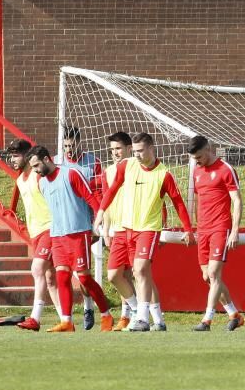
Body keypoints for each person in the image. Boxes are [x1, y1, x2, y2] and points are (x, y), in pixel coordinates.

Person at [95, 133, 194, 332]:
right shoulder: (127, 166)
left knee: (140, 271)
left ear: (151, 148)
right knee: (114, 275)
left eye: (140, 151)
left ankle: (143, 318)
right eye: (135, 150)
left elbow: (178, 203)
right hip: (124, 229)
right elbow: (112, 190)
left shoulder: (163, 174)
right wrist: (101, 212)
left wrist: (188, 229)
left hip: (148, 229)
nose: (137, 155)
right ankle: (139, 311)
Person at [28, 146, 112, 332]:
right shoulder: (41, 182)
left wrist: (99, 221)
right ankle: (67, 322)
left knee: (84, 278)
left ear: (47, 159)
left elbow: (90, 198)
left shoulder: (71, 174)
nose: (35, 170)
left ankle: (106, 315)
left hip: (78, 233)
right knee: (62, 276)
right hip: (57, 235)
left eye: (36, 165)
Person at [189, 136, 244, 332]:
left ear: (209, 149)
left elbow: (237, 200)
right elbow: (197, 199)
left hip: (220, 227)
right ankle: (234, 315)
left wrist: (235, 230)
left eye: (200, 156)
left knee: (214, 274)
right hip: (202, 229)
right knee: (208, 277)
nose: (197, 161)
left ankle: (207, 320)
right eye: (195, 158)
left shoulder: (225, 169)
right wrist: (194, 227)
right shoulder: (196, 171)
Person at [8, 140, 60, 331]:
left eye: (16, 155)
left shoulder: (39, 176)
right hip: (36, 233)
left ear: (27, 155)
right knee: (50, 278)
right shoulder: (20, 179)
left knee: (37, 269)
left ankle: (35, 318)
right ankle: (66, 319)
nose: (12, 160)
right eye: (11, 156)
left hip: (51, 228)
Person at [100, 132, 142, 331]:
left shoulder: (138, 167)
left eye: (118, 149)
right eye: (112, 150)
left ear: (128, 148)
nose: (115, 153)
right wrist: (106, 229)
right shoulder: (108, 171)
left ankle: (133, 316)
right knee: (116, 275)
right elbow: (108, 202)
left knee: (134, 274)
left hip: (136, 227)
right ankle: (133, 312)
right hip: (116, 229)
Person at [61, 126, 102, 327]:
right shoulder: (58, 164)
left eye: (72, 144)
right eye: (66, 145)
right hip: (65, 226)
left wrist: (97, 224)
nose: (69, 149)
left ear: (80, 142)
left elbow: (98, 193)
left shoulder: (93, 162)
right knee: (66, 272)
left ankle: (89, 307)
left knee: (85, 272)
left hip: (87, 225)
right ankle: (76, 312)